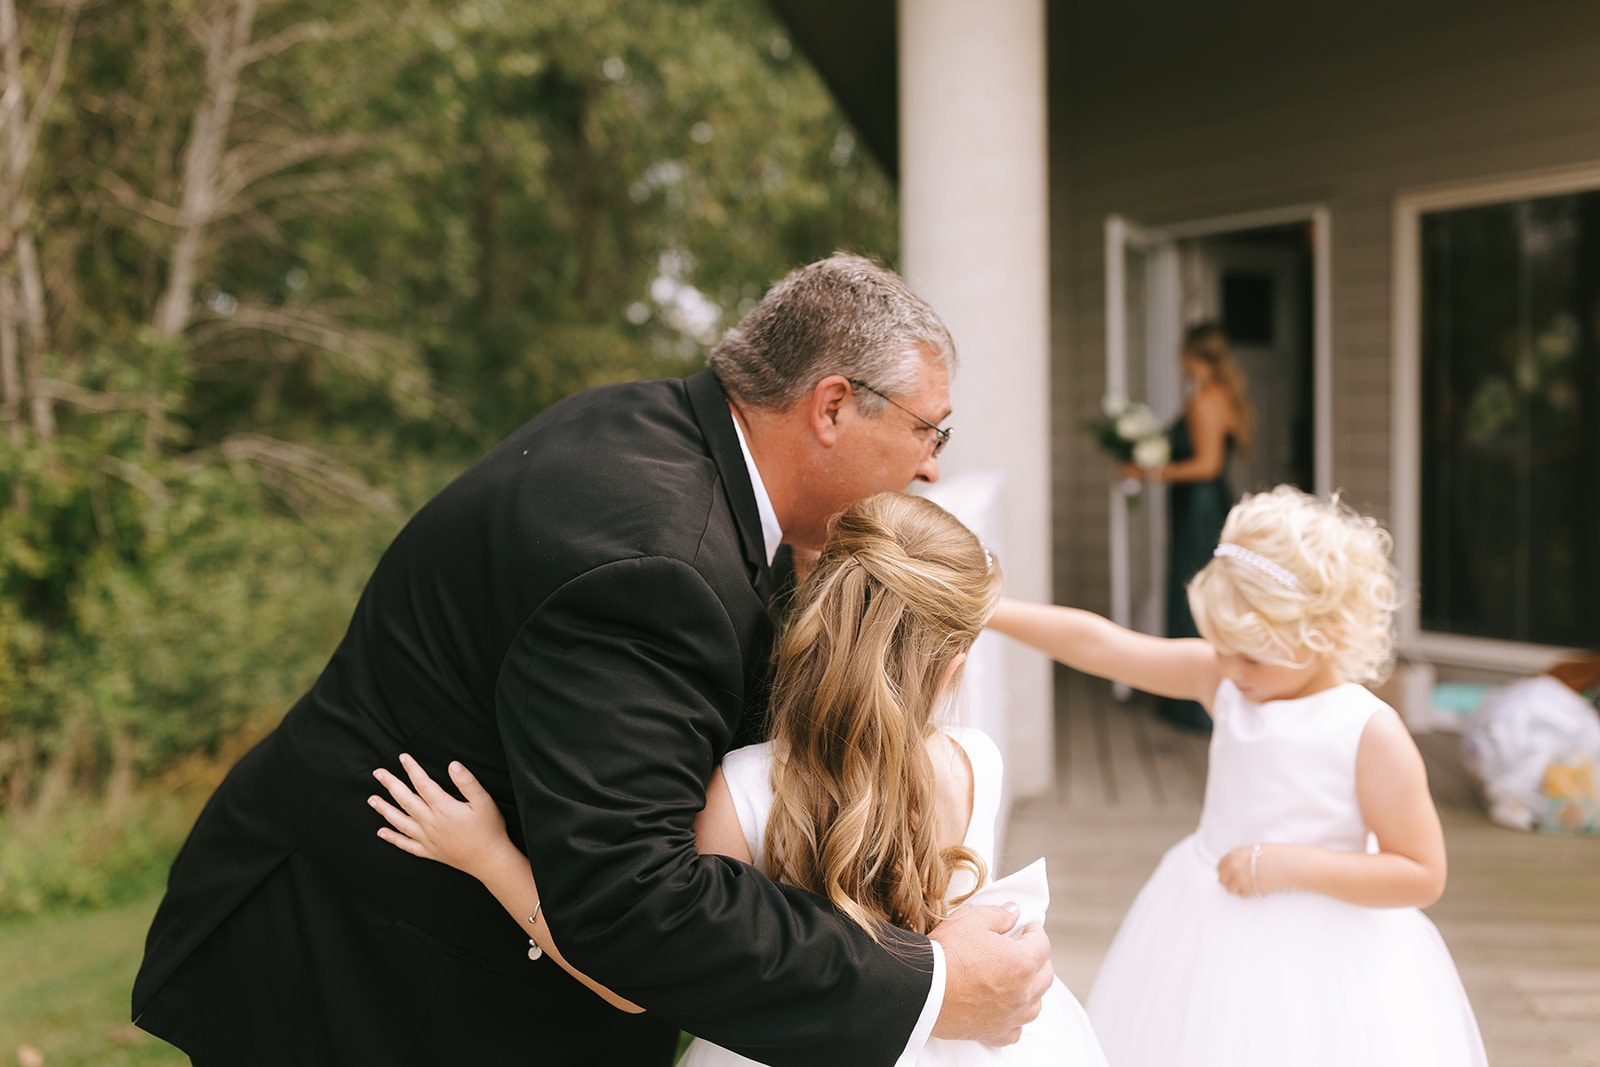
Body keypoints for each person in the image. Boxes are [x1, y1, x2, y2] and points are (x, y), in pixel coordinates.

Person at [131, 254, 1052, 1066]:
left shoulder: (663, 432)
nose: (933, 467)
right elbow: (633, 900)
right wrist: (928, 983)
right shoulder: (655, 563)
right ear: (834, 406)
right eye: (933, 431)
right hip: (379, 984)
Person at [368, 493, 1108, 1067]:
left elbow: (632, 978)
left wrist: (489, 854)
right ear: (952, 662)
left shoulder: (748, 786)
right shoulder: (979, 761)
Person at [989, 486, 1488, 1067]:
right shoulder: (1225, 678)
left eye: (1252, 654)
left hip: (1327, 948)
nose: (1230, 669)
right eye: (1220, 648)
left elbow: (1421, 873)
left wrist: (1288, 864)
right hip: (1209, 917)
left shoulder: (1367, 730)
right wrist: (989, 611)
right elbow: (1102, 645)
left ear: (1325, 632)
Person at [1121, 321, 1253, 733]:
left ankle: (1195, 702)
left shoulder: (1206, 402)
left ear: (1191, 356)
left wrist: (1150, 474)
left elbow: (1207, 464)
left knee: (1193, 590)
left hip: (1199, 506)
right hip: (1203, 503)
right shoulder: (1221, 397)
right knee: (1199, 589)